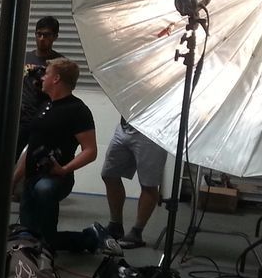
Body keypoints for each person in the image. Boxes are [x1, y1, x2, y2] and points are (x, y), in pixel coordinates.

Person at [15, 57, 119, 254]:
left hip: (56, 178)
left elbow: (90, 151)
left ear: (56, 79)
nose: (42, 77)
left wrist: (64, 169)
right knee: (30, 235)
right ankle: (89, 237)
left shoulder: (78, 110)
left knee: (44, 191)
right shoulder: (44, 106)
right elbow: (31, 148)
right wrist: (14, 179)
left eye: (47, 74)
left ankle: (82, 239)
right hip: (32, 177)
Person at [0, 15, 62, 214]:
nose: (42, 39)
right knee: (3, 160)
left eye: (47, 35)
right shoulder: (23, 58)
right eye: (39, 34)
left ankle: (29, 202)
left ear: (55, 37)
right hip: (20, 118)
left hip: (44, 119)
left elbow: (63, 91)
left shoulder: (59, 63)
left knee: (36, 162)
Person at [102, 117, 166, 249]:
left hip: (152, 131)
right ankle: (115, 225)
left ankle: (137, 232)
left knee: (148, 184)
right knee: (109, 174)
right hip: (125, 126)